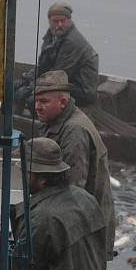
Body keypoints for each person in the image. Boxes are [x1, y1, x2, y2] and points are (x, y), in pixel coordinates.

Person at [10, 138, 108, 270]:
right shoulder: (86, 199)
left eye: (27, 173)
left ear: (43, 180)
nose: (23, 177)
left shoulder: (40, 220)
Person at [34, 69, 116, 256]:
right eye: (36, 101)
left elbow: (72, 189)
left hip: (87, 226)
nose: (37, 107)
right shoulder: (55, 121)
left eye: (44, 102)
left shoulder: (75, 132)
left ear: (62, 102)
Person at [15, 2, 99, 111]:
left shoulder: (72, 42)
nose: (59, 25)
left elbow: (58, 75)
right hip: (64, 81)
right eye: (55, 21)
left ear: (69, 20)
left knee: (33, 100)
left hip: (81, 91)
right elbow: (43, 66)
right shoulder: (51, 35)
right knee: (14, 87)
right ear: (49, 21)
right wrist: (26, 79)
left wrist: (30, 88)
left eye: (62, 21)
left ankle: (47, 124)